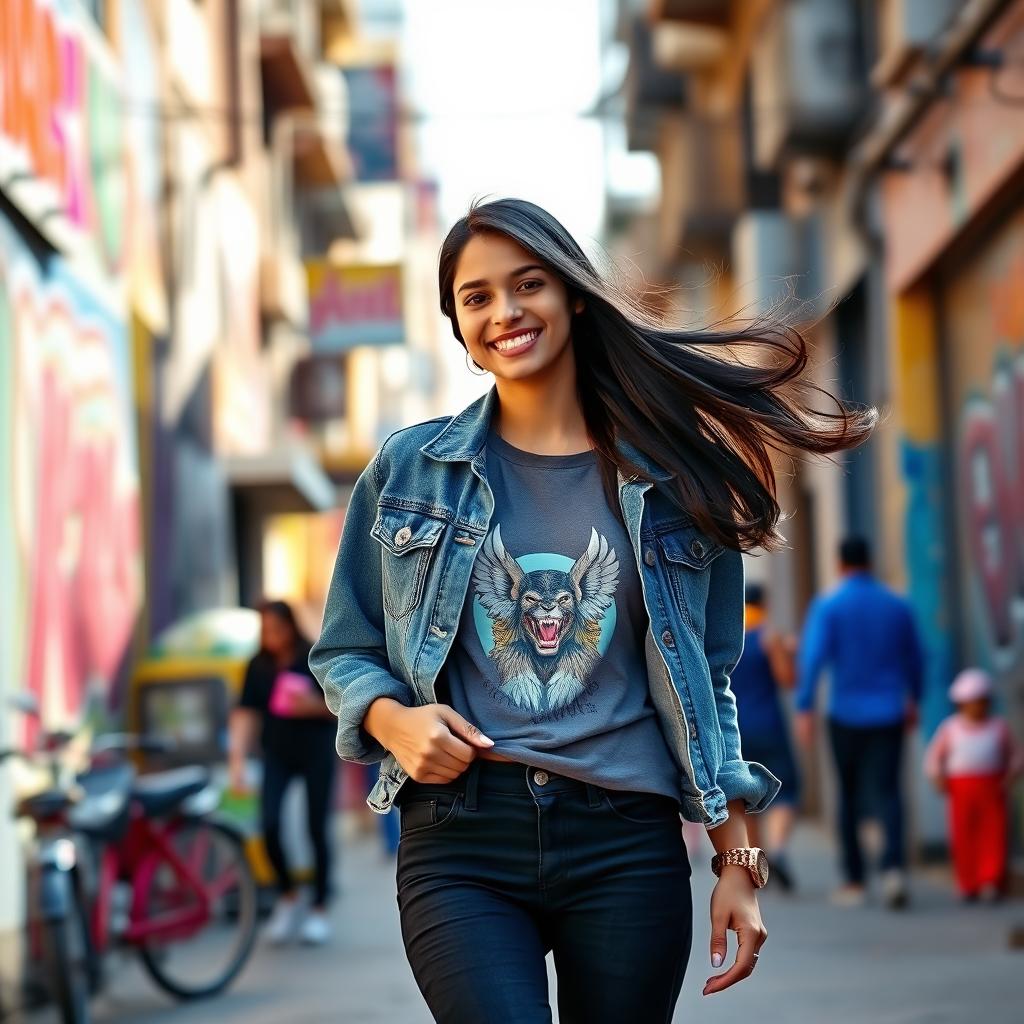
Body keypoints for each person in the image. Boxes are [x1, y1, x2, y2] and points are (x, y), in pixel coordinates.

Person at [309, 198, 874, 1022]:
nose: (505, 311)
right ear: (458, 324)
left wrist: (739, 866)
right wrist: (393, 722)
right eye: (477, 297)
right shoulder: (411, 470)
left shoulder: (676, 482)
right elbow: (343, 649)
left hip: (625, 842)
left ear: (573, 294)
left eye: (527, 284)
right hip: (463, 838)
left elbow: (706, 688)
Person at [795, 537, 924, 910]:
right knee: (889, 791)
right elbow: (915, 658)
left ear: (839, 564)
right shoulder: (896, 605)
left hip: (845, 714)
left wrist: (805, 707)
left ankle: (854, 879)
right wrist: (913, 697)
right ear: (872, 561)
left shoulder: (829, 606)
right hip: (889, 712)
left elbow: (813, 657)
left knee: (848, 794)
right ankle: (894, 870)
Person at [229, 600, 338, 945]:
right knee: (269, 824)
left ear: (290, 627)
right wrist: (237, 760)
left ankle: (319, 907)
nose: (271, 637)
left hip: (316, 752)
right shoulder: (256, 666)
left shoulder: (314, 656)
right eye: (264, 630)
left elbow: (344, 707)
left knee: (316, 829)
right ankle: (288, 896)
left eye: (276, 629)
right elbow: (246, 713)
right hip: (276, 755)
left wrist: (314, 707)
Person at [924, 668, 1022, 902]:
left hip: (992, 788)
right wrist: (938, 778)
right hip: (961, 790)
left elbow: (1017, 756)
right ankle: (967, 883)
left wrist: (1011, 776)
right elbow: (933, 758)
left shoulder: (998, 728)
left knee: (994, 835)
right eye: (970, 703)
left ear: (987, 702)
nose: (976, 708)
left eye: (980, 702)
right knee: (963, 836)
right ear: (961, 704)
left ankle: (991, 880)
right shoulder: (950, 729)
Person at [732, 583, 800, 891]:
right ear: (766, 603)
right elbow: (788, 680)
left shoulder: (728, 637)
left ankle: (758, 863)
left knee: (747, 798)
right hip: (770, 726)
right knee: (785, 792)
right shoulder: (769, 637)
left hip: (736, 728)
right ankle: (780, 849)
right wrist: (789, 653)